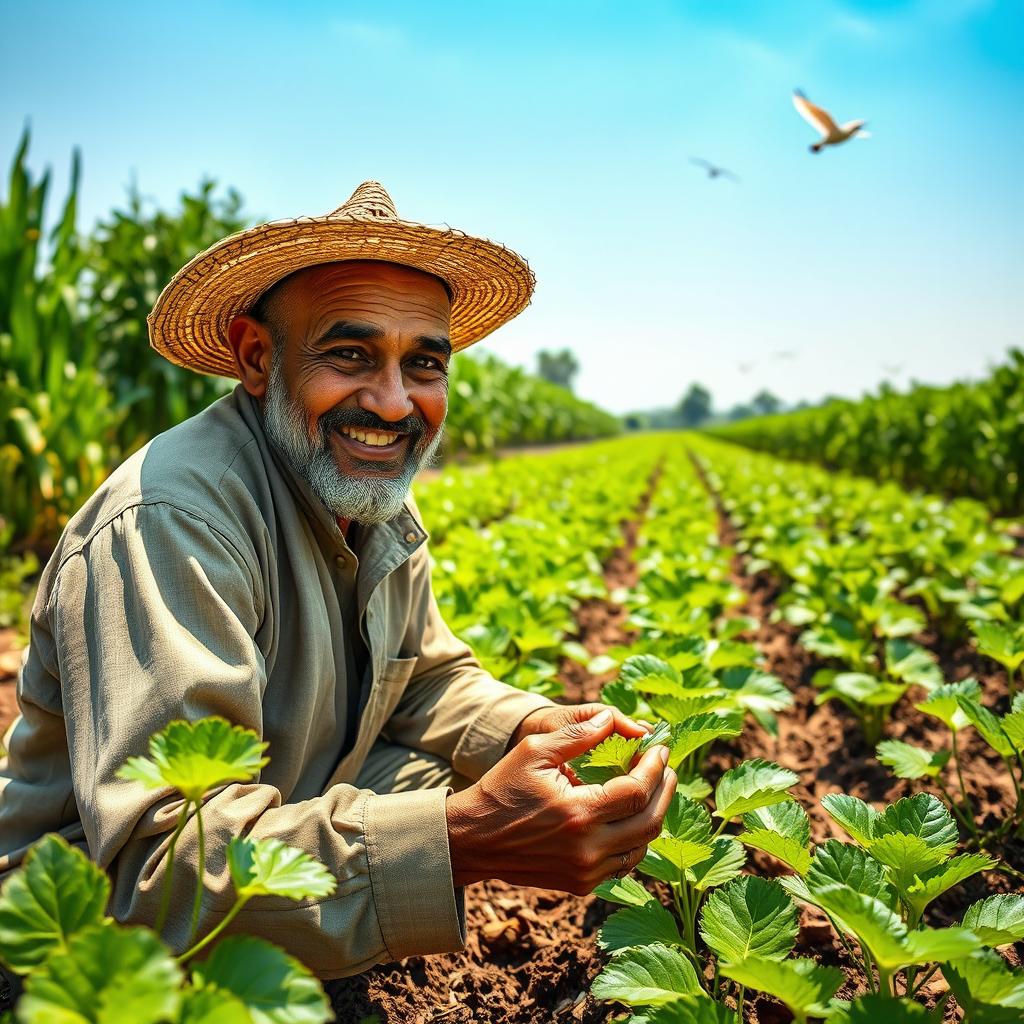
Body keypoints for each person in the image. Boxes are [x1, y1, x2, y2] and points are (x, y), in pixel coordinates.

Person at [0, 183, 676, 983]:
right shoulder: (174, 521)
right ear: (257, 357)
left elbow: (424, 678)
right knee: (460, 807)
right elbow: (160, 867)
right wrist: (465, 837)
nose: (393, 403)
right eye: (350, 354)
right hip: (94, 936)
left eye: (423, 363)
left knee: (482, 771)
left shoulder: (361, 487)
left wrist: (542, 730)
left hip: (287, 800)